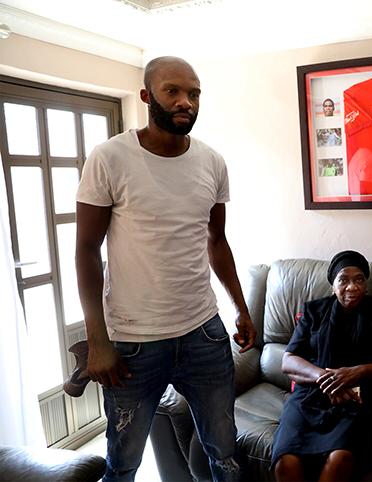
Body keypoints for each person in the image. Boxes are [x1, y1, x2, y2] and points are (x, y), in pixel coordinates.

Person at [75, 56, 257, 482]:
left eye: (193, 93)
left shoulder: (212, 162)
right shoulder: (109, 158)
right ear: (146, 97)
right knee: (122, 466)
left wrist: (240, 308)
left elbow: (217, 242)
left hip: (205, 335)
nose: (185, 102)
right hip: (133, 344)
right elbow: (85, 251)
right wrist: (98, 340)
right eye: (172, 91)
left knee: (226, 458)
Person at [272, 251, 372, 482]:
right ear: (333, 284)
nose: (352, 287)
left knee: (339, 460)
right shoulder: (313, 311)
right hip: (311, 397)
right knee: (285, 464)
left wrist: (359, 371)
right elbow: (288, 360)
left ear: (366, 284)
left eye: (359, 279)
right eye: (343, 280)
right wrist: (323, 378)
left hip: (361, 398)